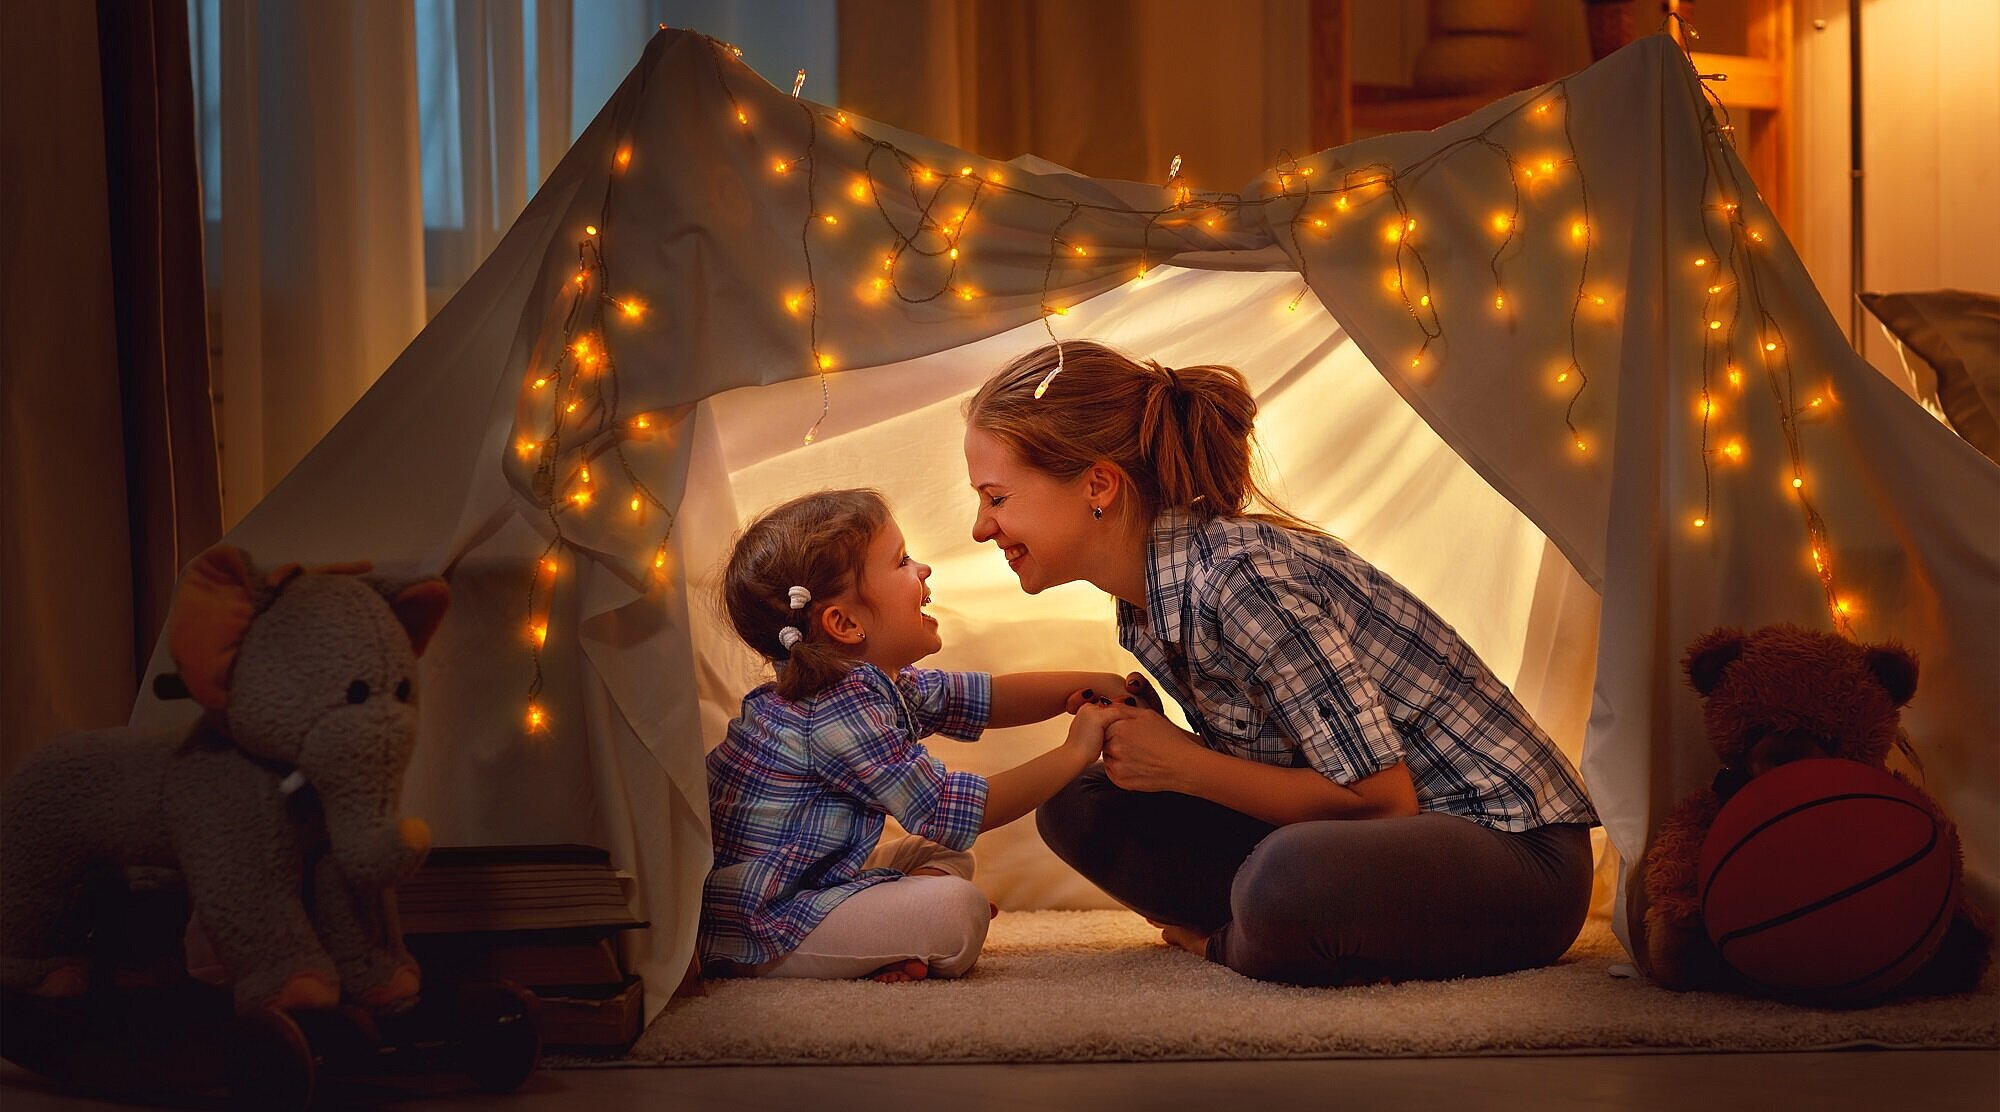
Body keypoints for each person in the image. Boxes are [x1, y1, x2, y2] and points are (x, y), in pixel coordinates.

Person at [962, 340, 1599, 986]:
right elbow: (1289, 765)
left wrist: (1185, 765)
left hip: (1514, 857)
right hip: (1368, 845)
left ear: (1098, 486)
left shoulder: (1239, 582)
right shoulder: (1147, 604)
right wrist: (1160, 751)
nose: (981, 529)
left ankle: (1237, 941)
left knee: (1284, 881)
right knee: (1076, 802)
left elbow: (1382, 802)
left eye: (996, 498)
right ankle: (1274, 927)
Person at [701, 488, 1138, 983]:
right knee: (959, 911)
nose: (923, 569)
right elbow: (950, 810)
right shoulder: (831, 710)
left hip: (811, 879)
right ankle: (884, 937)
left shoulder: (872, 683)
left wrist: (1083, 685)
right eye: (902, 560)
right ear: (844, 623)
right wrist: (1077, 751)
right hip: (763, 922)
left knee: (939, 856)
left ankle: (890, 938)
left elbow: (985, 698)